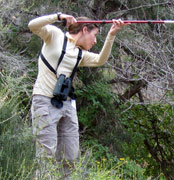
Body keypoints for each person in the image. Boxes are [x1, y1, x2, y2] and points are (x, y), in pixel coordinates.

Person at [28, 13, 128, 179]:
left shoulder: (79, 54)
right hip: (44, 102)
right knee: (45, 157)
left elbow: (100, 60)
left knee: (70, 157)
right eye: (94, 36)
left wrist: (112, 34)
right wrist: (58, 16)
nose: (95, 41)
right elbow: (32, 25)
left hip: (67, 105)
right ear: (84, 29)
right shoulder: (55, 36)